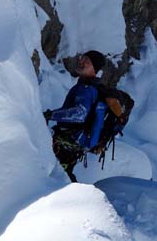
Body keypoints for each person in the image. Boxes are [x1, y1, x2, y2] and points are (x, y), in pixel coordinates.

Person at [44, 51, 126, 182]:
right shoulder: (92, 87)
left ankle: (77, 199)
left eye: (87, 61)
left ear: (94, 67)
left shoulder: (87, 88)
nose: (81, 61)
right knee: (62, 173)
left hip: (70, 139)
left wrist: (51, 115)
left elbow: (79, 113)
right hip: (78, 140)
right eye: (82, 58)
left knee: (57, 175)